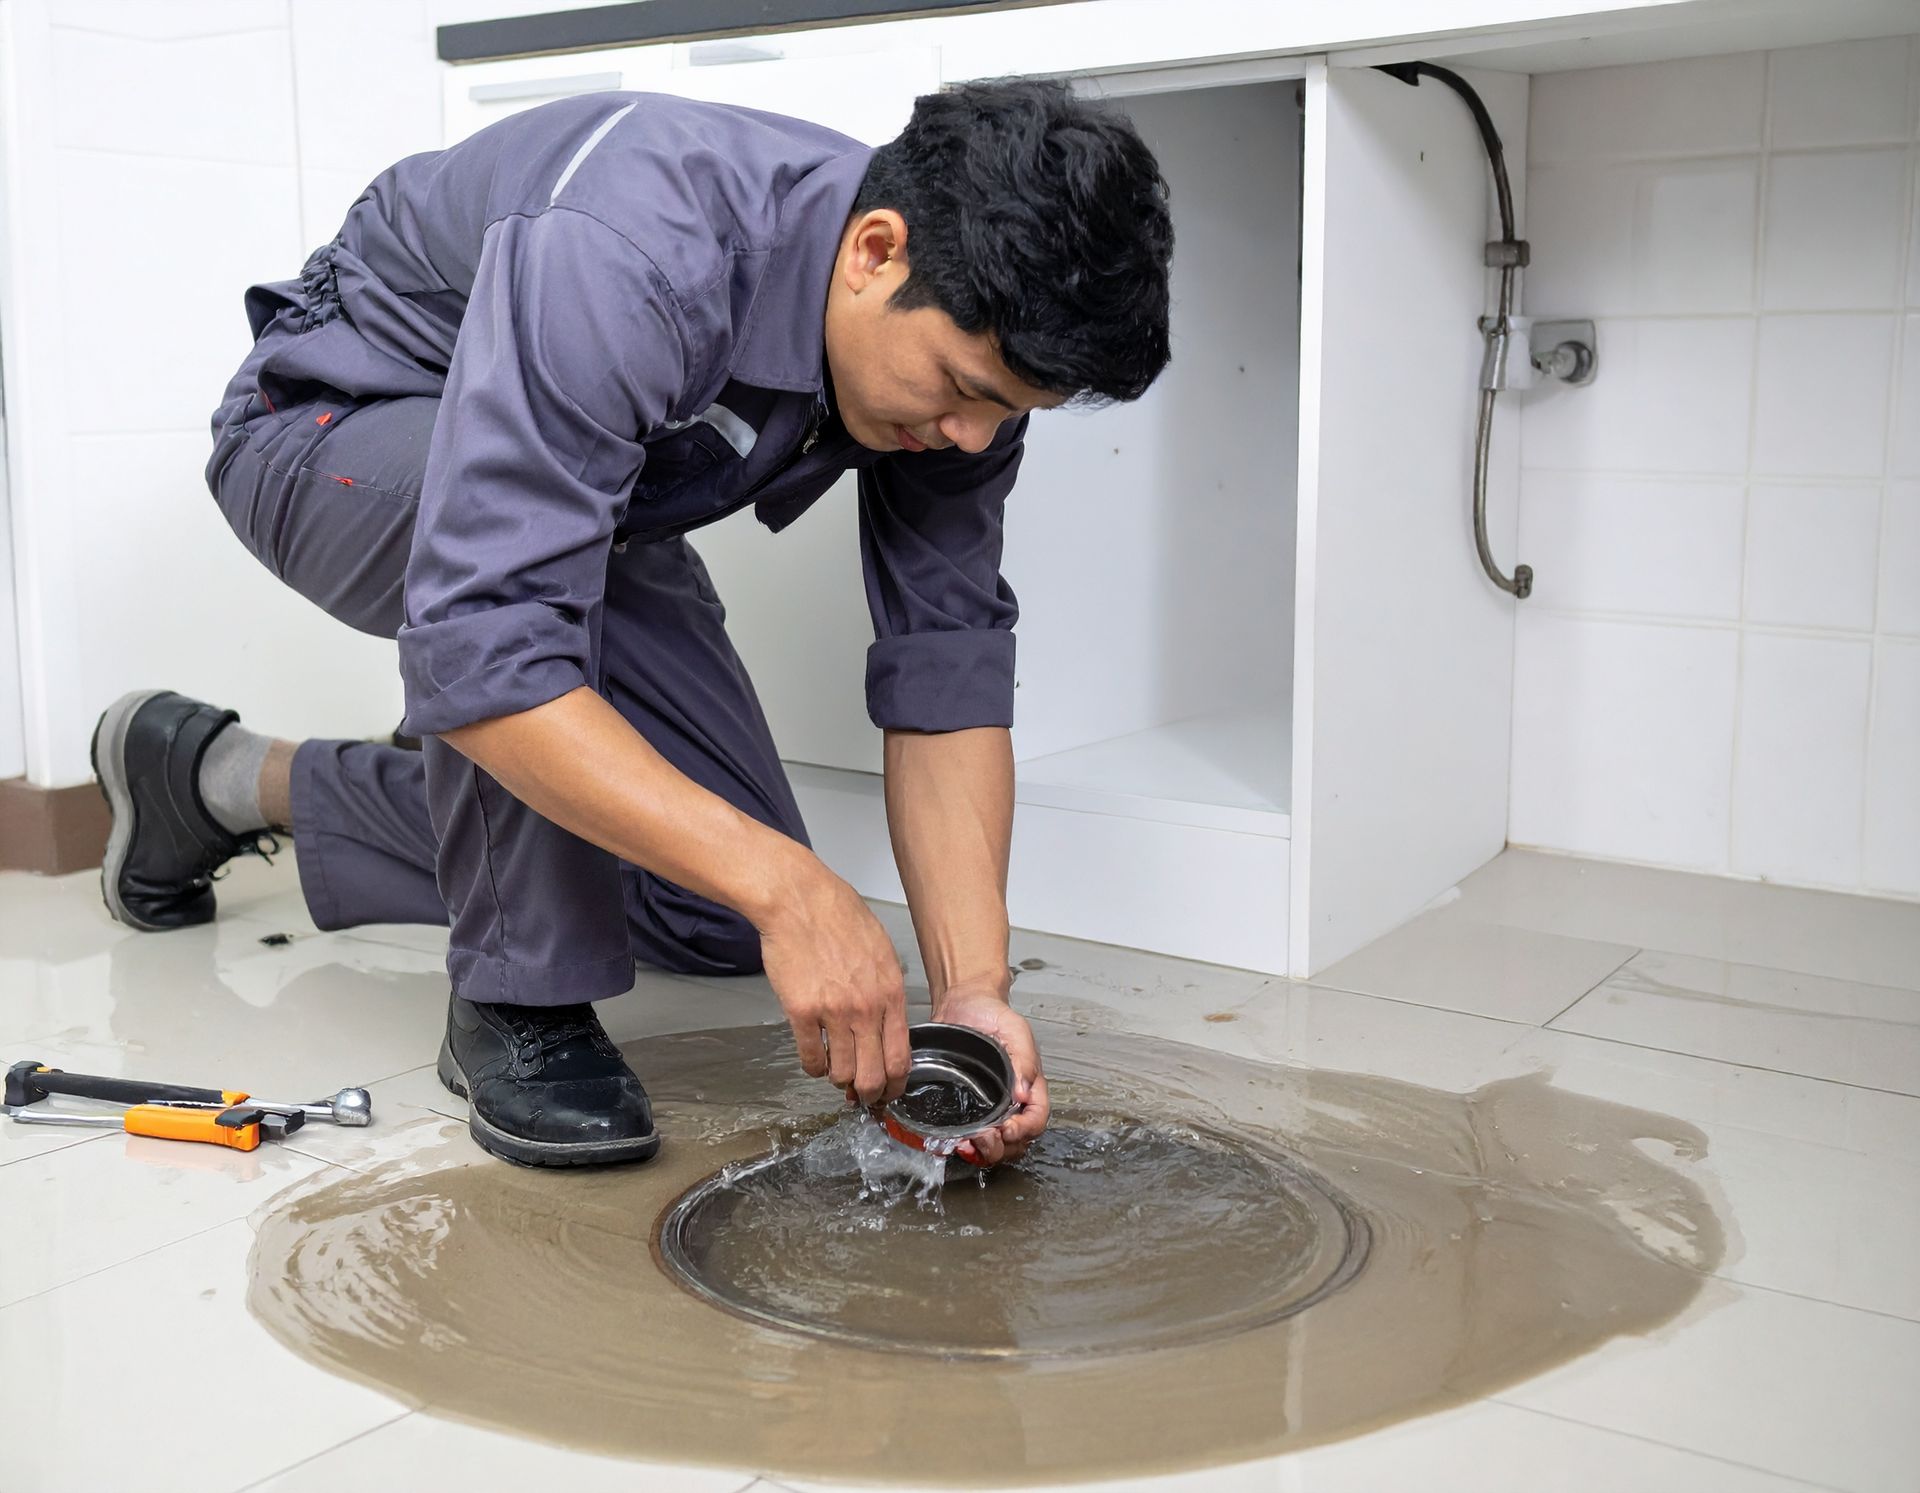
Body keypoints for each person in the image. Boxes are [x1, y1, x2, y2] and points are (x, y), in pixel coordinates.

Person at [89, 78, 1173, 1170]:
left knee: (706, 907)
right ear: (874, 254)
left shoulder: (961, 376)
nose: (969, 434)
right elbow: (492, 622)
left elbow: (948, 668)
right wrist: (794, 889)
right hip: (332, 430)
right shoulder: (636, 244)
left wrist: (974, 992)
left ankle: (214, 778)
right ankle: (519, 999)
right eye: (959, 386)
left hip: (571, 523)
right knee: (523, 631)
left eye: (1007, 413)